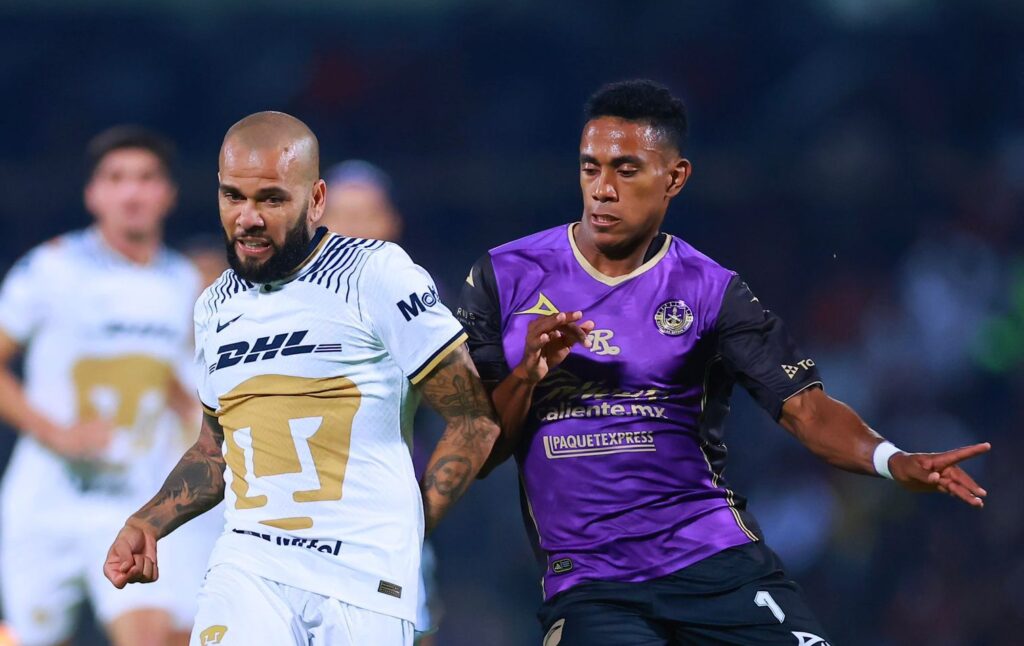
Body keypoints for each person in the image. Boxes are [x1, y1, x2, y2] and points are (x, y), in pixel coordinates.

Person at [456, 80, 991, 646]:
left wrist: (891, 460)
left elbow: (807, 411)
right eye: (591, 168)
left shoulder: (711, 290)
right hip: (592, 583)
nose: (603, 190)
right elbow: (479, 449)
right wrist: (526, 375)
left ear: (674, 178)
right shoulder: (504, 278)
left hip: (716, 561)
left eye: (626, 170)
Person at [103, 111, 500, 646]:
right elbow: (216, 450)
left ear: (315, 200)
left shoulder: (375, 275)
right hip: (248, 567)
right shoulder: (215, 306)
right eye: (232, 196)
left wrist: (410, 530)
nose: (247, 218)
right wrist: (147, 522)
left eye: (271, 199)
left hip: (363, 574)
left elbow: (474, 420)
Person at [0, 126, 212, 646]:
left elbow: (172, 379)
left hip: (130, 497)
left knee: (152, 636)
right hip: (45, 499)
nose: (131, 193)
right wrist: (58, 433)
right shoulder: (52, 268)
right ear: (93, 194)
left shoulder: (183, 283)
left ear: (168, 194)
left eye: (146, 178)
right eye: (116, 179)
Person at [321, 159, 442, 645]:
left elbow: (467, 415)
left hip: (383, 518)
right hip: (289, 520)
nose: (352, 229)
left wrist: (425, 510)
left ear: (391, 224)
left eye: (365, 215)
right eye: (340, 216)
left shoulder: (420, 304)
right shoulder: (277, 305)